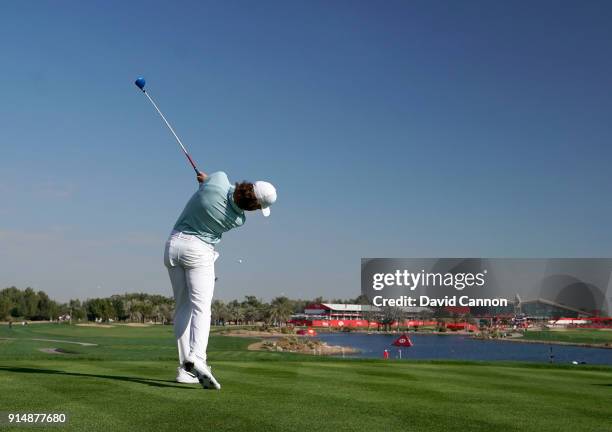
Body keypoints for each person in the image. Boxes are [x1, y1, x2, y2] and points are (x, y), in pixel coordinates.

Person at [164, 170, 277, 390]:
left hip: (172, 247)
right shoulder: (238, 219)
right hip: (198, 251)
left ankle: (184, 369)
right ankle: (198, 358)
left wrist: (204, 181)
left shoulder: (218, 179)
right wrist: (204, 185)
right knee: (202, 309)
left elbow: (210, 186)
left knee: (183, 310)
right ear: (254, 206)